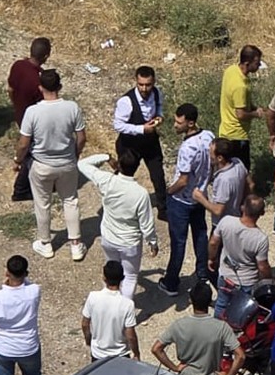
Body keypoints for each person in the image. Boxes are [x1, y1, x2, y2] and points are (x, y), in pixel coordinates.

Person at [17, 69, 86, 261]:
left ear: (40, 88)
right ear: (60, 86)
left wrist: (18, 160)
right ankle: (75, 244)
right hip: (67, 163)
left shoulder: (32, 111)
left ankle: (45, 243)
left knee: (42, 203)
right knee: (70, 200)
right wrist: (75, 155)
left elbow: (23, 143)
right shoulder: (72, 107)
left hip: (41, 164)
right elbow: (81, 138)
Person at [78, 152, 159, 300]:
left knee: (111, 273)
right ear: (137, 167)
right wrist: (152, 242)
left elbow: (82, 164)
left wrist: (106, 157)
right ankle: (124, 308)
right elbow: (146, 224)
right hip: (129, 243)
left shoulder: (107, 181)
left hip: (108, 238)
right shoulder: (141, 194)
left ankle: (108, 303)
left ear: (119, 165)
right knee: (130, 276)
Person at [152, 282, 245, 375]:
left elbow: (156, 349)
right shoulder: (221, 327)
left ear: (191, 300)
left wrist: (175, 368)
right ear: (210, 301)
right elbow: (240, 356)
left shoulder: (179, 325)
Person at [160, 104, 214, 297]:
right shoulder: (209, 136)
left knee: (178, 241)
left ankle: (171, 282)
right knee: (200, 236)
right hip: (199, 197)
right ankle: (203, 275)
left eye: (179, 122)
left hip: (181, 200)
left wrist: (168, 192)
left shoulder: (187, 148)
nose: (175, 125)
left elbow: (183, 180)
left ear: (190, 123)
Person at [112, 65, 168, 217]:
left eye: (148, 85)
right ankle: (117, 206)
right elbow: (118, 125)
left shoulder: (156, 93)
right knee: (124, 177)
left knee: (158, 175)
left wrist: (159, 117)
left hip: (150, 142)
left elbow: (159, 108)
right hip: (130, 145)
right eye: (141, 84)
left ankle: (163, 209)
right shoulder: (126, 101)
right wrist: (142, 129)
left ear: (153, 82)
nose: (144, 89)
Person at [209, 195, 272, 317]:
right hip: (247, 281)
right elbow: (262, 267)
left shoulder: (226, 221)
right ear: (262, 213)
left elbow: (213, 242)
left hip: (226, 276)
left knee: (221, 304)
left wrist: (211, 258)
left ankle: (217, 326)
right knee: (242, 311)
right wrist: (268, 281)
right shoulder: (260, 238)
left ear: (243, 208)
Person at [6, 37, 50, 201]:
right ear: (46, 56)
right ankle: (21, 189)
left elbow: (11, 89)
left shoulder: (18, 65)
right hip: (33, 122)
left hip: (20, 114)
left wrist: (15, 105)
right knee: (31, 152)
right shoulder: (38, 81)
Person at [218, 45, 267, 169]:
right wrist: (256, 114)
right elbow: (240, 114)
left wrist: (253, 107)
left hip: (225, 131)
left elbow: (238, 101)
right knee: (242, 171)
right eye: (257, 62)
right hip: (236, 136)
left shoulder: (231, 70)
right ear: (247, 63)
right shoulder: (240, 86)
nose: (259, 65)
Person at [81, 260, 139, 361]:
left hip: (98, 354)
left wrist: (88, 341)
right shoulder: (127, 304)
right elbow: (130, 335)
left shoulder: (93, 297)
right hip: (120, 355)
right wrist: (136, 353)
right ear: (122, 278)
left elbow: (85, 324)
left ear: (104, 278)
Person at [194, 138, 249, 228]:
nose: (209, 155)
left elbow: (218, 210)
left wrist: (200, 198)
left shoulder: (224, 179)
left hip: (223, 226)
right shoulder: (238, 163)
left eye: (211, 153)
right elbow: (250, 184)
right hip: (237, 218)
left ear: (220, 158)